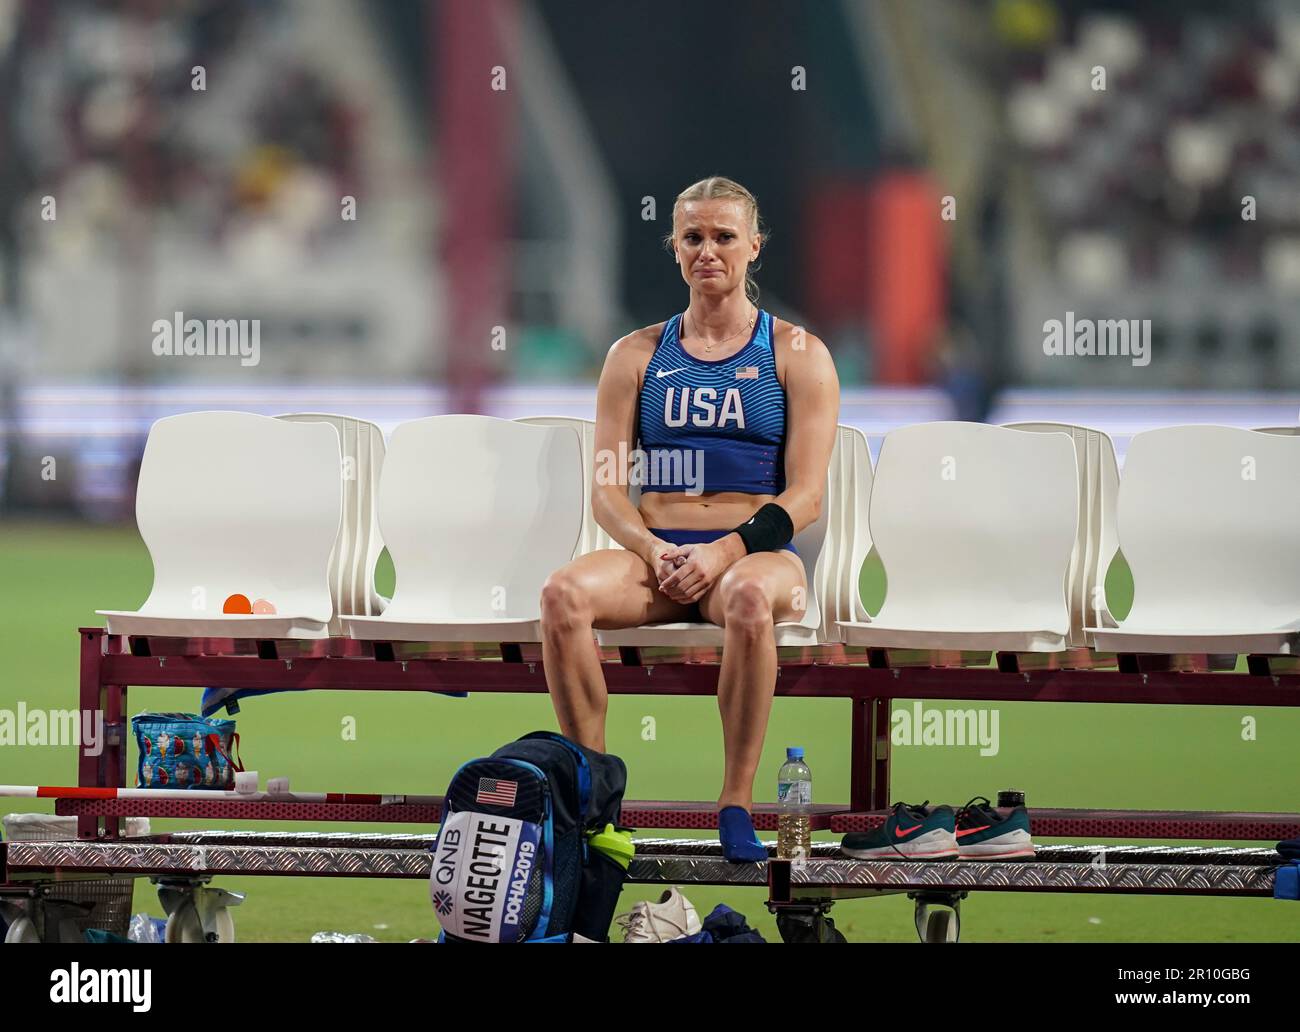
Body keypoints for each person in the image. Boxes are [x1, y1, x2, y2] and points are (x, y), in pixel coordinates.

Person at [540, 175, 840, 862]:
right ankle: (594, 799)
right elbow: (608, 491)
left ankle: (734, 803)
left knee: (746, 604)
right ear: (675, 249)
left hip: (754, 559)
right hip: (661, 554)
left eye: (724, 237)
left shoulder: (797, 354)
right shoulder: (635, 355)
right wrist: (652, 549)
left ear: (754, 247)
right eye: (693, 237)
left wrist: (725, 550)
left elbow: (807, 498)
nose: (709, 251)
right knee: (561, 595)